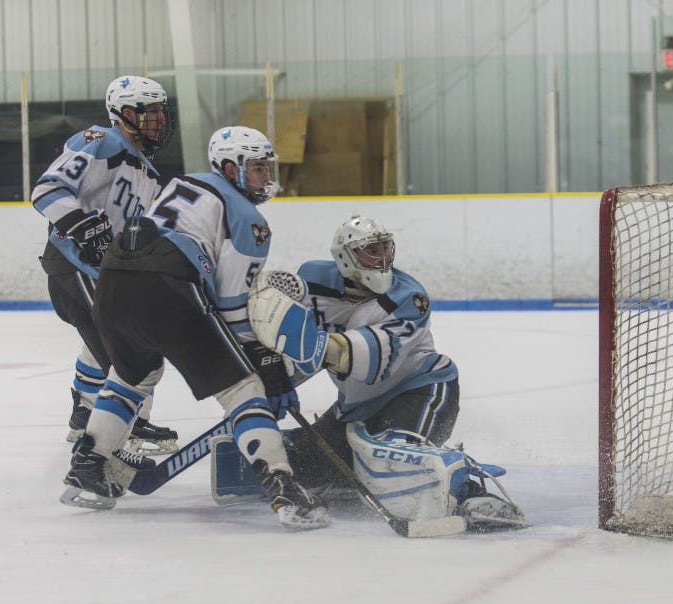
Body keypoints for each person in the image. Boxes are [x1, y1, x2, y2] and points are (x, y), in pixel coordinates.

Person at [59, 125, 328, 531]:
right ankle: (283, 484)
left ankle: (89, 465)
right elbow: (233, 306)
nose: (265, 176)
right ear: (229, 168)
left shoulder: (182, 182)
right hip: (168, 283)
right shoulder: (251, 221)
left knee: (135, 375)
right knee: (242, 387)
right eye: (255, 168)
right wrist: (264, 360)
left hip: (113, 277)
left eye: (265, 167)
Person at [244, 215, 525, 528]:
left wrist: (303, 346)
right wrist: (273, 372)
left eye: (385, 248)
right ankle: (349, 475)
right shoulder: (312, 281)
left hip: (421, 390)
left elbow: (364, 358)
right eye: (369, 251)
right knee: (300, 465)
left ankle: (471, 495)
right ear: (344, 258)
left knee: (399, 456)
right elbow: (289, 335)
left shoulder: (409, 298)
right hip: (355, 409)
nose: (381, 259)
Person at [31, 75, 178, 458]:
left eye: (162, 111)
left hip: (100, 270)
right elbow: (46, 190)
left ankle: (84, 413)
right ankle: (123, 423)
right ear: (126, 113)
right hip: (73, 263)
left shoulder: (146, 171)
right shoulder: (101, 140)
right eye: (152, 112)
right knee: (129, 347)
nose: (160, 120)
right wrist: (85, 228)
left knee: (107, 341)